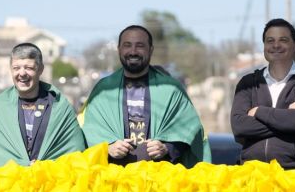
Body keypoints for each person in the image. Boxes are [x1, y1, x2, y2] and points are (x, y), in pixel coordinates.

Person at [82, 25, 211, 168]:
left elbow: (190, 132)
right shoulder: (103, 90)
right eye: (127, 45)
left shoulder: (171, 89)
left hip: (161, 181)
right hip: (113, 181)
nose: (133, 51)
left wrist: (167, 148)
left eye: (140, 46)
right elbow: (89, 132)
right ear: (119, 49)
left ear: (150, 50)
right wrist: (108, 148)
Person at [231, 18, 295, 170]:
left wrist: (259, 111)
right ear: (264, 46)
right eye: (270, 40)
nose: (276, 45)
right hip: (250, 174)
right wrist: (289, 116)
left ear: (294, 45)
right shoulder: (248, 83)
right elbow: (239, 126)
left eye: (283, 40)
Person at [0, 43, 85, 169]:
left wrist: (43, 167)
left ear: (40, 69)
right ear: (10, 69)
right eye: (16, 68)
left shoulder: (59, 105)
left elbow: (75, 151)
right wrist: (22, 166)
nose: (22, 73)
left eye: (29, 68)